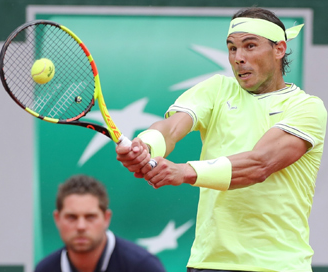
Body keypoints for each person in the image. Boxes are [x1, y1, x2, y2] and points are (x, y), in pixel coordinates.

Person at [116, 7, 327, 272]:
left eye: (250, 46)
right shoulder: (216, 90)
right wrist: (145, 146)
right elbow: (171, 128)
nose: (239, 58)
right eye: (232, 48)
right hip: (210, 263)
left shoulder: (307, 108)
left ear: (279, 49)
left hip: (278, 265)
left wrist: (185, 171)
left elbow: (259, 164)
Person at [34, 175, 166, 272]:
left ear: (106, 218)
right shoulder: (44, 269)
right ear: (57, 219)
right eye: (71, 217)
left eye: (90, 217)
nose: (81, 226)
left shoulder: (143, 267)